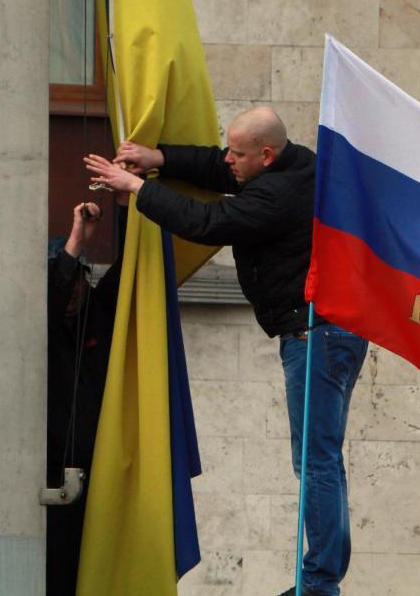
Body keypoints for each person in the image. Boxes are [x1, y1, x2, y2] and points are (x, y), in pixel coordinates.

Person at [83, 106, 368, 596]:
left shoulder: (278, 194)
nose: (228, 159)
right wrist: (161, 157)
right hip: (321, 332)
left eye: (238, 152)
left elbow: (208, 221)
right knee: (321, 457)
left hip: (315, 335)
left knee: (316, 460)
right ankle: (321, 579)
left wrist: (137, 187)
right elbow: (219, 168)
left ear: (266, 154)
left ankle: (320, 585)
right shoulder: (288, 163)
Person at [47, 198, 126, 596]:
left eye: (80, 278)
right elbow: (53, 294)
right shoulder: (41, 326)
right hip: (52, 479)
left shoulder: (96, 312)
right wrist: (77, 238)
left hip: (102, 474)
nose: (73, 289)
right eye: (66, 279)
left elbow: (133, 267)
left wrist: (130, 201)